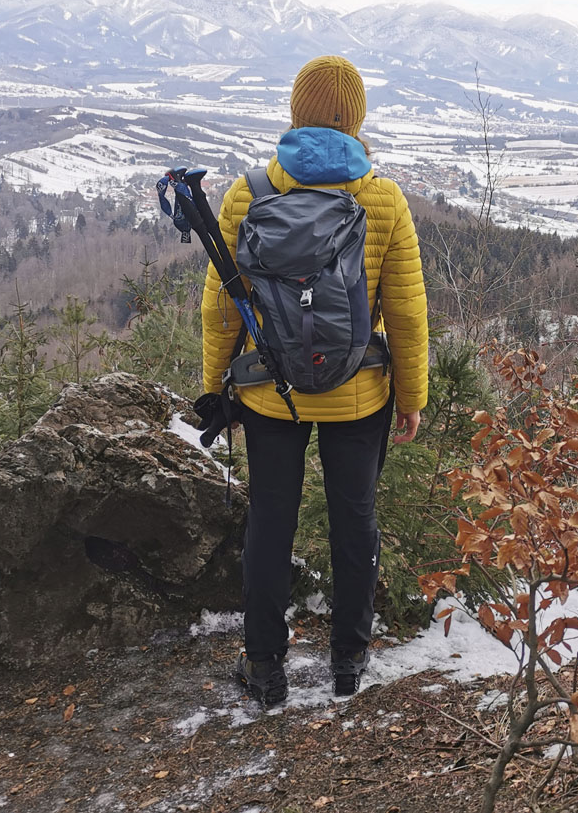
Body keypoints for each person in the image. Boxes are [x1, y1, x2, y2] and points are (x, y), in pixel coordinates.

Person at [201, 55, 429, 704]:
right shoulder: (381, 198)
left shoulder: (248, 194)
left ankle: (266, 668)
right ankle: (348, 664)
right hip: (359, 395)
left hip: (272, 394)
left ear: (295, 111)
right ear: (356, 118)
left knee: (270, 521)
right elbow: (407, 311)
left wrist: (220, 388)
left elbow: (220, 306)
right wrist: (411, 395)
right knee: (354, 522)